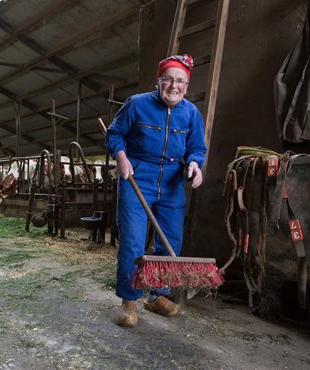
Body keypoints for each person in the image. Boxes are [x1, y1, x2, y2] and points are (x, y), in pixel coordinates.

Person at [105, 54, 207, 327]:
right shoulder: (137, 104)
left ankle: (158, 295)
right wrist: (122, 157)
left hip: (173, 182)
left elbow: (197, 147)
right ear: (158, 81)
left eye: (181, 81)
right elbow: (114, 134)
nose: (175, 86)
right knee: (133, 241)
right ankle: (129, 300)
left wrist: (196, 164)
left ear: (187, 85)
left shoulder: (191, 113)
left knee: (171, 241)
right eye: (169, 80)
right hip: (138, 176)